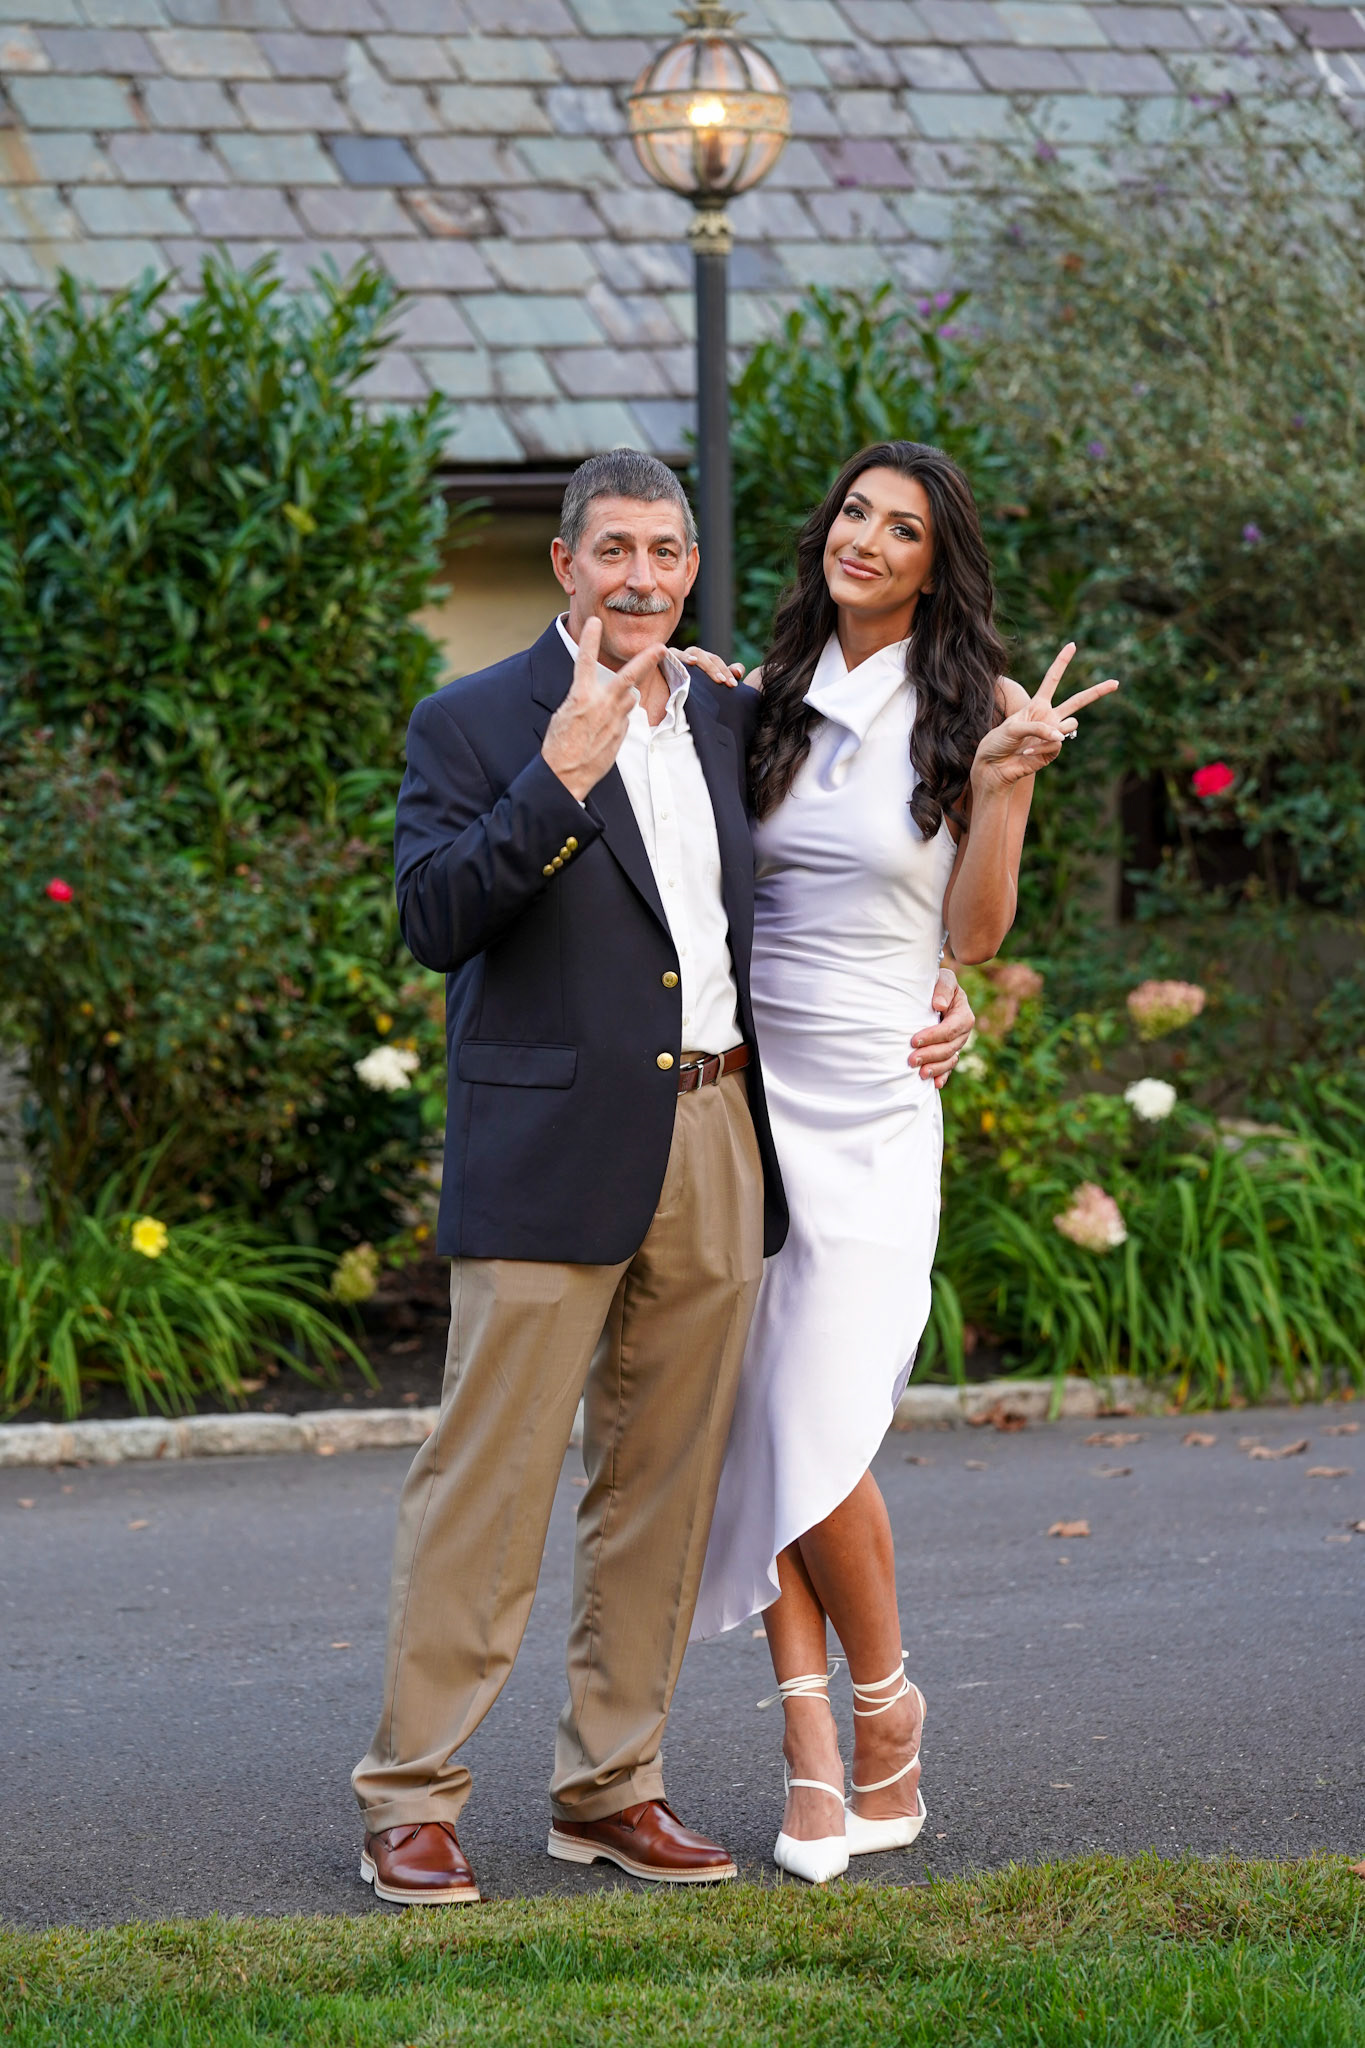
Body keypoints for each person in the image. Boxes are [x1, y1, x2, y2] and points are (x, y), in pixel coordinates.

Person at [351, 446, 978, 1905]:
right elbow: (434, 918)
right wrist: (561, 773)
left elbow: (844, 878)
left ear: (691, 571)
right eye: (613, 550)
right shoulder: (471, 721)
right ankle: (412, 1797)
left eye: (665, 553)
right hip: (548, 1145)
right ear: (564, 564)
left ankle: (611, 1786)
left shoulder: (735, 718)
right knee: (488, 1484)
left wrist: (944, 984)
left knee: (664, 1486)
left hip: (717, 1134)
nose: (639, 577)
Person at [692, 440, 1119, 1884]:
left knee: (816, 1419)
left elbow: (976, 938)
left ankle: (884, 1711)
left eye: (903, 529)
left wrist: (1004, 786)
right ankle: (816, 1743)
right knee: (763, 1422)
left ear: (938, 567)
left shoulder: (978, 710)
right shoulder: (761, 698)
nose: (865, 540)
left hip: (877, 1099)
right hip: (751, 1090)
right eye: (854, 514)